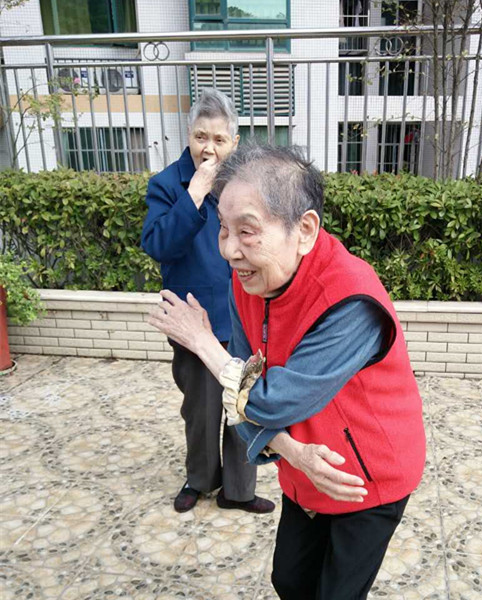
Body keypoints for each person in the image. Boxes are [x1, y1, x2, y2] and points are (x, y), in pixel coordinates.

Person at [148, 144, 426, 599]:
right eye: (223, 229)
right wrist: (293, 454)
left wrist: (203, 343)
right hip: (304, 464)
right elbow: (240, 394)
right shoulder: (249, 281)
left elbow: (267, 400)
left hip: (366, 478)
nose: (229, 250)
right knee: (290, 581)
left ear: (305, 230)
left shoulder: (350, 300)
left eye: (247, 231)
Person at [141, 89, 274, 515]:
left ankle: (239, 490)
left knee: (244, 406)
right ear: (189, 135)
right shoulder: (168, 185)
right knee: (200, 411)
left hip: (244, 318)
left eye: (219, 139)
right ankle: (200, 480)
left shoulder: (246, 185)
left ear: (234, 141)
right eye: (201, 137)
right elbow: (158, 245)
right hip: (193, 322)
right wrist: (194, 194)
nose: (209, 149)